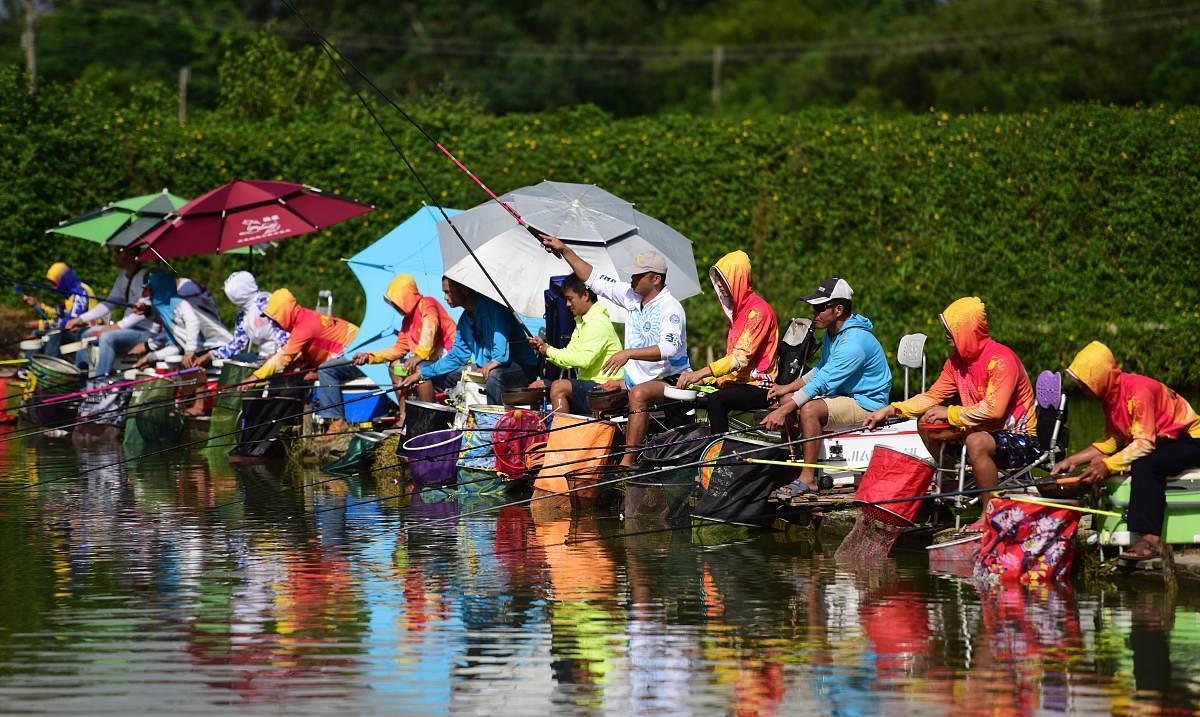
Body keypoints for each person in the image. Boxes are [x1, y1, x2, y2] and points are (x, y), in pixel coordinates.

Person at [864, 297, 1038, 528]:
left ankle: (989, 513)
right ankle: (953, 484)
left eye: (951, 329)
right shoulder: (956, 363)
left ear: (968, 329)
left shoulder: (1001, 359)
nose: (947, 335)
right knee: (925, 423)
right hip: (981, 433)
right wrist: (890, 409)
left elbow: (994, 411)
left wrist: (950, 413)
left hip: (1019, 438)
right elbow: (931, 397)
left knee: (976, 442)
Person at [538, 235, 689, 467]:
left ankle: (627, 463)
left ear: (656, 278)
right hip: (637, 380)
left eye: (638, 276)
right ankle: (586, 460)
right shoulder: (631, 296)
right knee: (602, 393)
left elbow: (668, 349)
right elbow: (594, 278)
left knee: (638, 394)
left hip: (672, 380)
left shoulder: (671, 308)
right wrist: (564, 249)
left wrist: (628, 353)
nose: (632, 279)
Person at [1053, 341, 1200, 561]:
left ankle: (1150, 539)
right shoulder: (1111, 398)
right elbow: (1115, 439)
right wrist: (1075, 460)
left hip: (1191, 438)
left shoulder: (1138, 391)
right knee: (1123, 461)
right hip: (1164, 441)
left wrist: (1107, 465)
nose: (1082, 388)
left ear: (1100, 375)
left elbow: (1144, 444)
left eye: (1085, 382)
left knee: (1147, 463)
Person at [760, 277, 891, 498]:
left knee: (809, 409)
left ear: (838, 309)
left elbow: (823, 383)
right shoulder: (834, 334)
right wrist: (787, 388)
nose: (814, 313)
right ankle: (794, 466)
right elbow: (821, 369)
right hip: (845, 395)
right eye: (814, 307)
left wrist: (784, 412)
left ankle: (808, 479)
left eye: (820, 307)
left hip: (868, 403)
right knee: (787, 400)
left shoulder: (854, 343)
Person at [674, 250, 779, 435]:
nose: (720, 285)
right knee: (685, 393)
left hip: (760, 386)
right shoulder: (738, 313)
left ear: (739, 279)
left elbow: (740, 359)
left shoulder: (758, 312)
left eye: (725, 279)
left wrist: (700, 373)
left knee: (717, 400)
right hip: (739, 382)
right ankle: (686, 446)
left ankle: (717, 455)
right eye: (719, 280)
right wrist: (705, 378)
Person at [333, 274, 455, 424]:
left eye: (397, 302)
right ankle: (404, 415)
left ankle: (430, 419)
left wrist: (419, 355)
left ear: (406, 296)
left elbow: (431, 325)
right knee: (394, 366)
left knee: (417, 367)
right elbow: (399, 348)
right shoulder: (407, 320)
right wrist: (369, 357)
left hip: (449, 357)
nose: (396, 307)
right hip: (429, 361)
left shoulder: (427, 303)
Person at [399, 277, 538, 406]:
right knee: (450, 377)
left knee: (494, 376)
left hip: (520, 367)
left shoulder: (495, 307)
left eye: (448, 292)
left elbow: (501, 353)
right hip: (489, 366)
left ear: (464, 290)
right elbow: (456, 356)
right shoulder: (465, 320)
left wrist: (491, 364)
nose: (445, 298)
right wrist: (422, 374)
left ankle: (491, 424)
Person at [249, 288, 359, 430]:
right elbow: (311, 350)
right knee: (312, 372)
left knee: (326, 370)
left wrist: (255, 376)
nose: (272, 323)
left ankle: (338, 421)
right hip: (348, 355)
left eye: (274, 318)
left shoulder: (304, 327)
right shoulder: (305, 318)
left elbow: (283, 358)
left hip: (360, 357)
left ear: (284, 313)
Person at [527, 273, 623, 414]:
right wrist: (543, 347)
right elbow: (569, 358)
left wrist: (549, 350)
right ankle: (542, 430)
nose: (567, 304)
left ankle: (560, 434)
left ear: (585, 296)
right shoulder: (582, 322)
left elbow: (584, 361)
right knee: (536, 387)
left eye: (570, 299)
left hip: (606, 388)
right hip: (591, 385)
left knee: (559, 387)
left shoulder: (597, 323)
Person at [67, 246, 155, 378]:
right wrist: (81, 319)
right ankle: (82, 379)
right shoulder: (122, 276)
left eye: (119, 251)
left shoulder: (147, 276)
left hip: (146, 332)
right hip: (128, 330)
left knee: (107, 337)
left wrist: (110, 329)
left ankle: (100, 383)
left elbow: (140, 314)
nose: (115, 255)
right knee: (86, 334)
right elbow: (109, 303)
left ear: (132, 254)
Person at [191, 271, 290, 367]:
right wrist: (211, 355)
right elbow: (237, 344)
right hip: (264, 359)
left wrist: (279, 354)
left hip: (285, 358)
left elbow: (286, 333)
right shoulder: (242, 315)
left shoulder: (265, 302)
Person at [22, 262, 98, 358]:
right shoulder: (70, 294)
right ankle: (26, 369)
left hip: (85, 332)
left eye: (55, 283)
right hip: (73, 331)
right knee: (37, 333)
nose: (54, 287)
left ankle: (50, 367)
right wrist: (38, 305)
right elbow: (59, 314)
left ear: (63, 279)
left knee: (54, 334)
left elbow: (69, 323)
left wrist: (41, 324)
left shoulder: (80, 292)